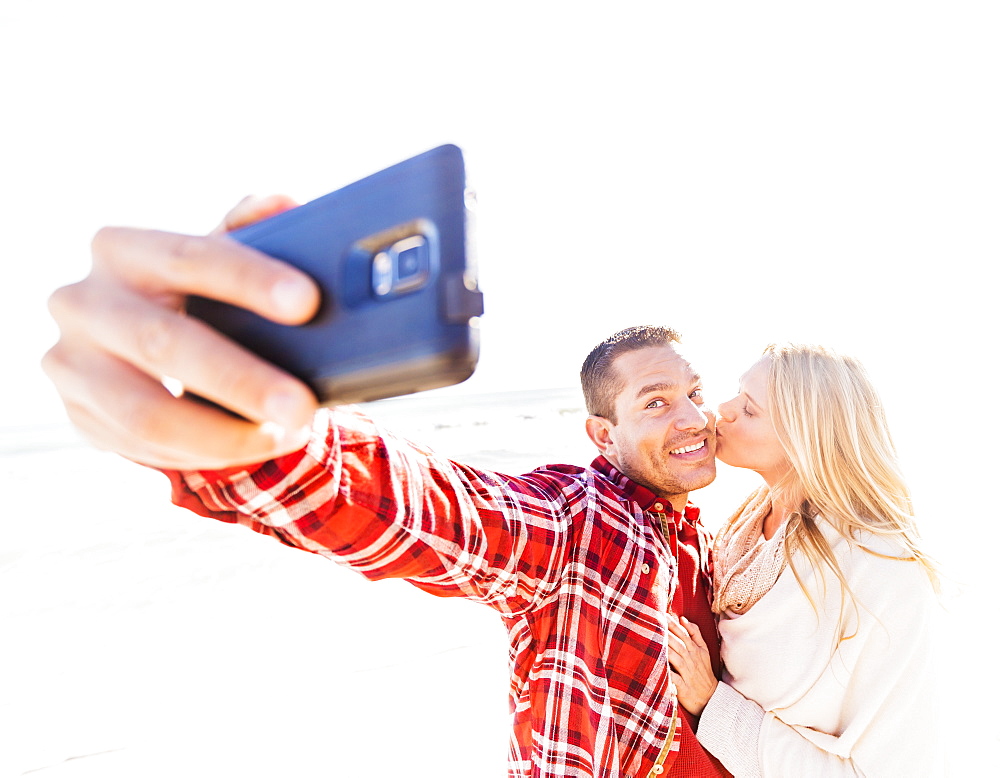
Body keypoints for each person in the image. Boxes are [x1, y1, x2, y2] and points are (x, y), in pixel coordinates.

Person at [43, 195, 731, 777]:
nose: (694, 416)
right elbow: (435, 510)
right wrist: (253, 436)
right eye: (656, 401)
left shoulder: (701, 532)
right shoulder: (578, 525)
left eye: (695, 392)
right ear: (601, 437)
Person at [665, 344, 942, 776]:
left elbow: (887, 763)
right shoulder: (741, 531)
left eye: (750, 410)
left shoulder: (879, 564)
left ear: (805, 437)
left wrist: (710, 701)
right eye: (738, 393)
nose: (723, 409)